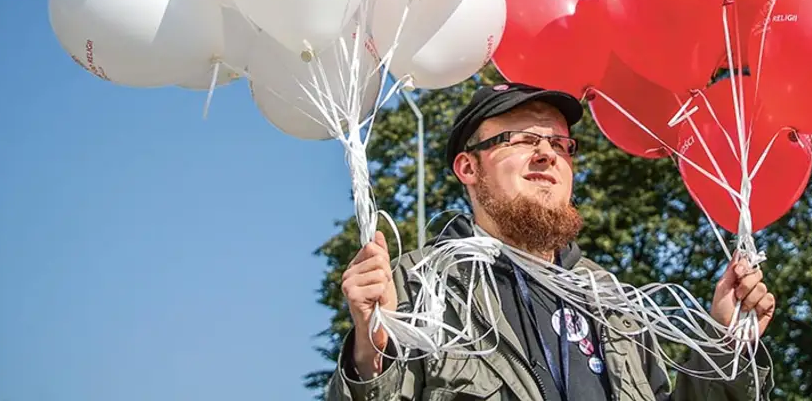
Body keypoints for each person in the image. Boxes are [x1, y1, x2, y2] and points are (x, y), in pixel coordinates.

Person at [326, 82, 776, 401]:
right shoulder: (421, 283)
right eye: (521, 139)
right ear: (468, 168)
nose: (547, 154)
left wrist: (727, 345)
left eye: (560, 144)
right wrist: (369, 351)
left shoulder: (612, 301)